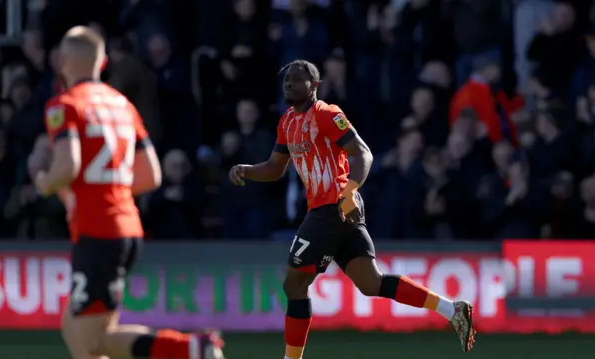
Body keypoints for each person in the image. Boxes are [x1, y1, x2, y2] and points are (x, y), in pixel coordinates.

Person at [228, 59, 476, 358]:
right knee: (371, 283)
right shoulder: (287, 123)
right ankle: (453, 310)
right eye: (286, 80)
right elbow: (275, 168)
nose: (290, 84)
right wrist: (247, 170)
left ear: (314, 86)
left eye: (297, 79)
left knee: (294, 284)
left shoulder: (326, 114)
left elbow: (363, 153)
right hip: (336, 210)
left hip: (332, 207)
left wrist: (349, 191)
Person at [35, 26, 225, 359]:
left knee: (96, 340)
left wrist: (45, 182)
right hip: (127, 227)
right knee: (75, 326)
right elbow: (151, 174)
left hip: (97, 231)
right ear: (103, 61)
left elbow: (67, 166)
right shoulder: (123, 105)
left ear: (62, 61)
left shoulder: (63, 105)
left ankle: (192, 349)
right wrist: (108, 189)